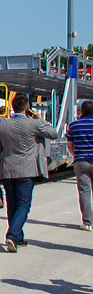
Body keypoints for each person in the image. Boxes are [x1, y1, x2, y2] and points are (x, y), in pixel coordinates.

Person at [0, 94, 59, 252]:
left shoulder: (1, 126)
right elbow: (54, 133)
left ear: (12, 107)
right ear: (27, 107)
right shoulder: (34, 124)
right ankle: (12, 234)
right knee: (23, 205)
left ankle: (18, 238)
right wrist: (39, 118)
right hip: (26, 170)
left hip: (7, 170)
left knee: (12, 205)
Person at [66, 99, 93, 231]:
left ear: (81, 111)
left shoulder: (73, 125)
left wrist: (77, 154)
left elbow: (70, 146)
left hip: (81, 161)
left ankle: (87, 222)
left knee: (84, 191)